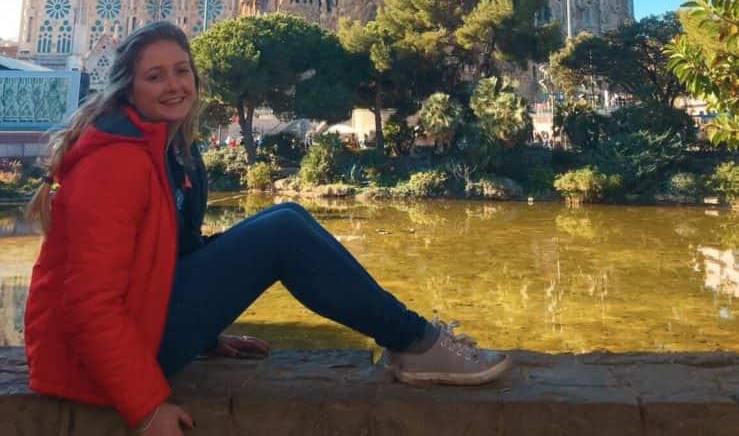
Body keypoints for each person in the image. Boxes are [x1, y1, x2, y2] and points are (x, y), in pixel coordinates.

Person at [24, 22, 510, 435]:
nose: (173, 85)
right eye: (155, 76)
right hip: (85, 369)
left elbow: (173, 260)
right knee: (283, 234)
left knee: (286, 216)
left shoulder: (172, 152)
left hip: (138, 331)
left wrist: (208, 332)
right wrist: (146, 407)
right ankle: (416, 342)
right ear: (129, 89)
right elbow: (90, 301)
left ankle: (413, 341)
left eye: (181, 71)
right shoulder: (116, 163)